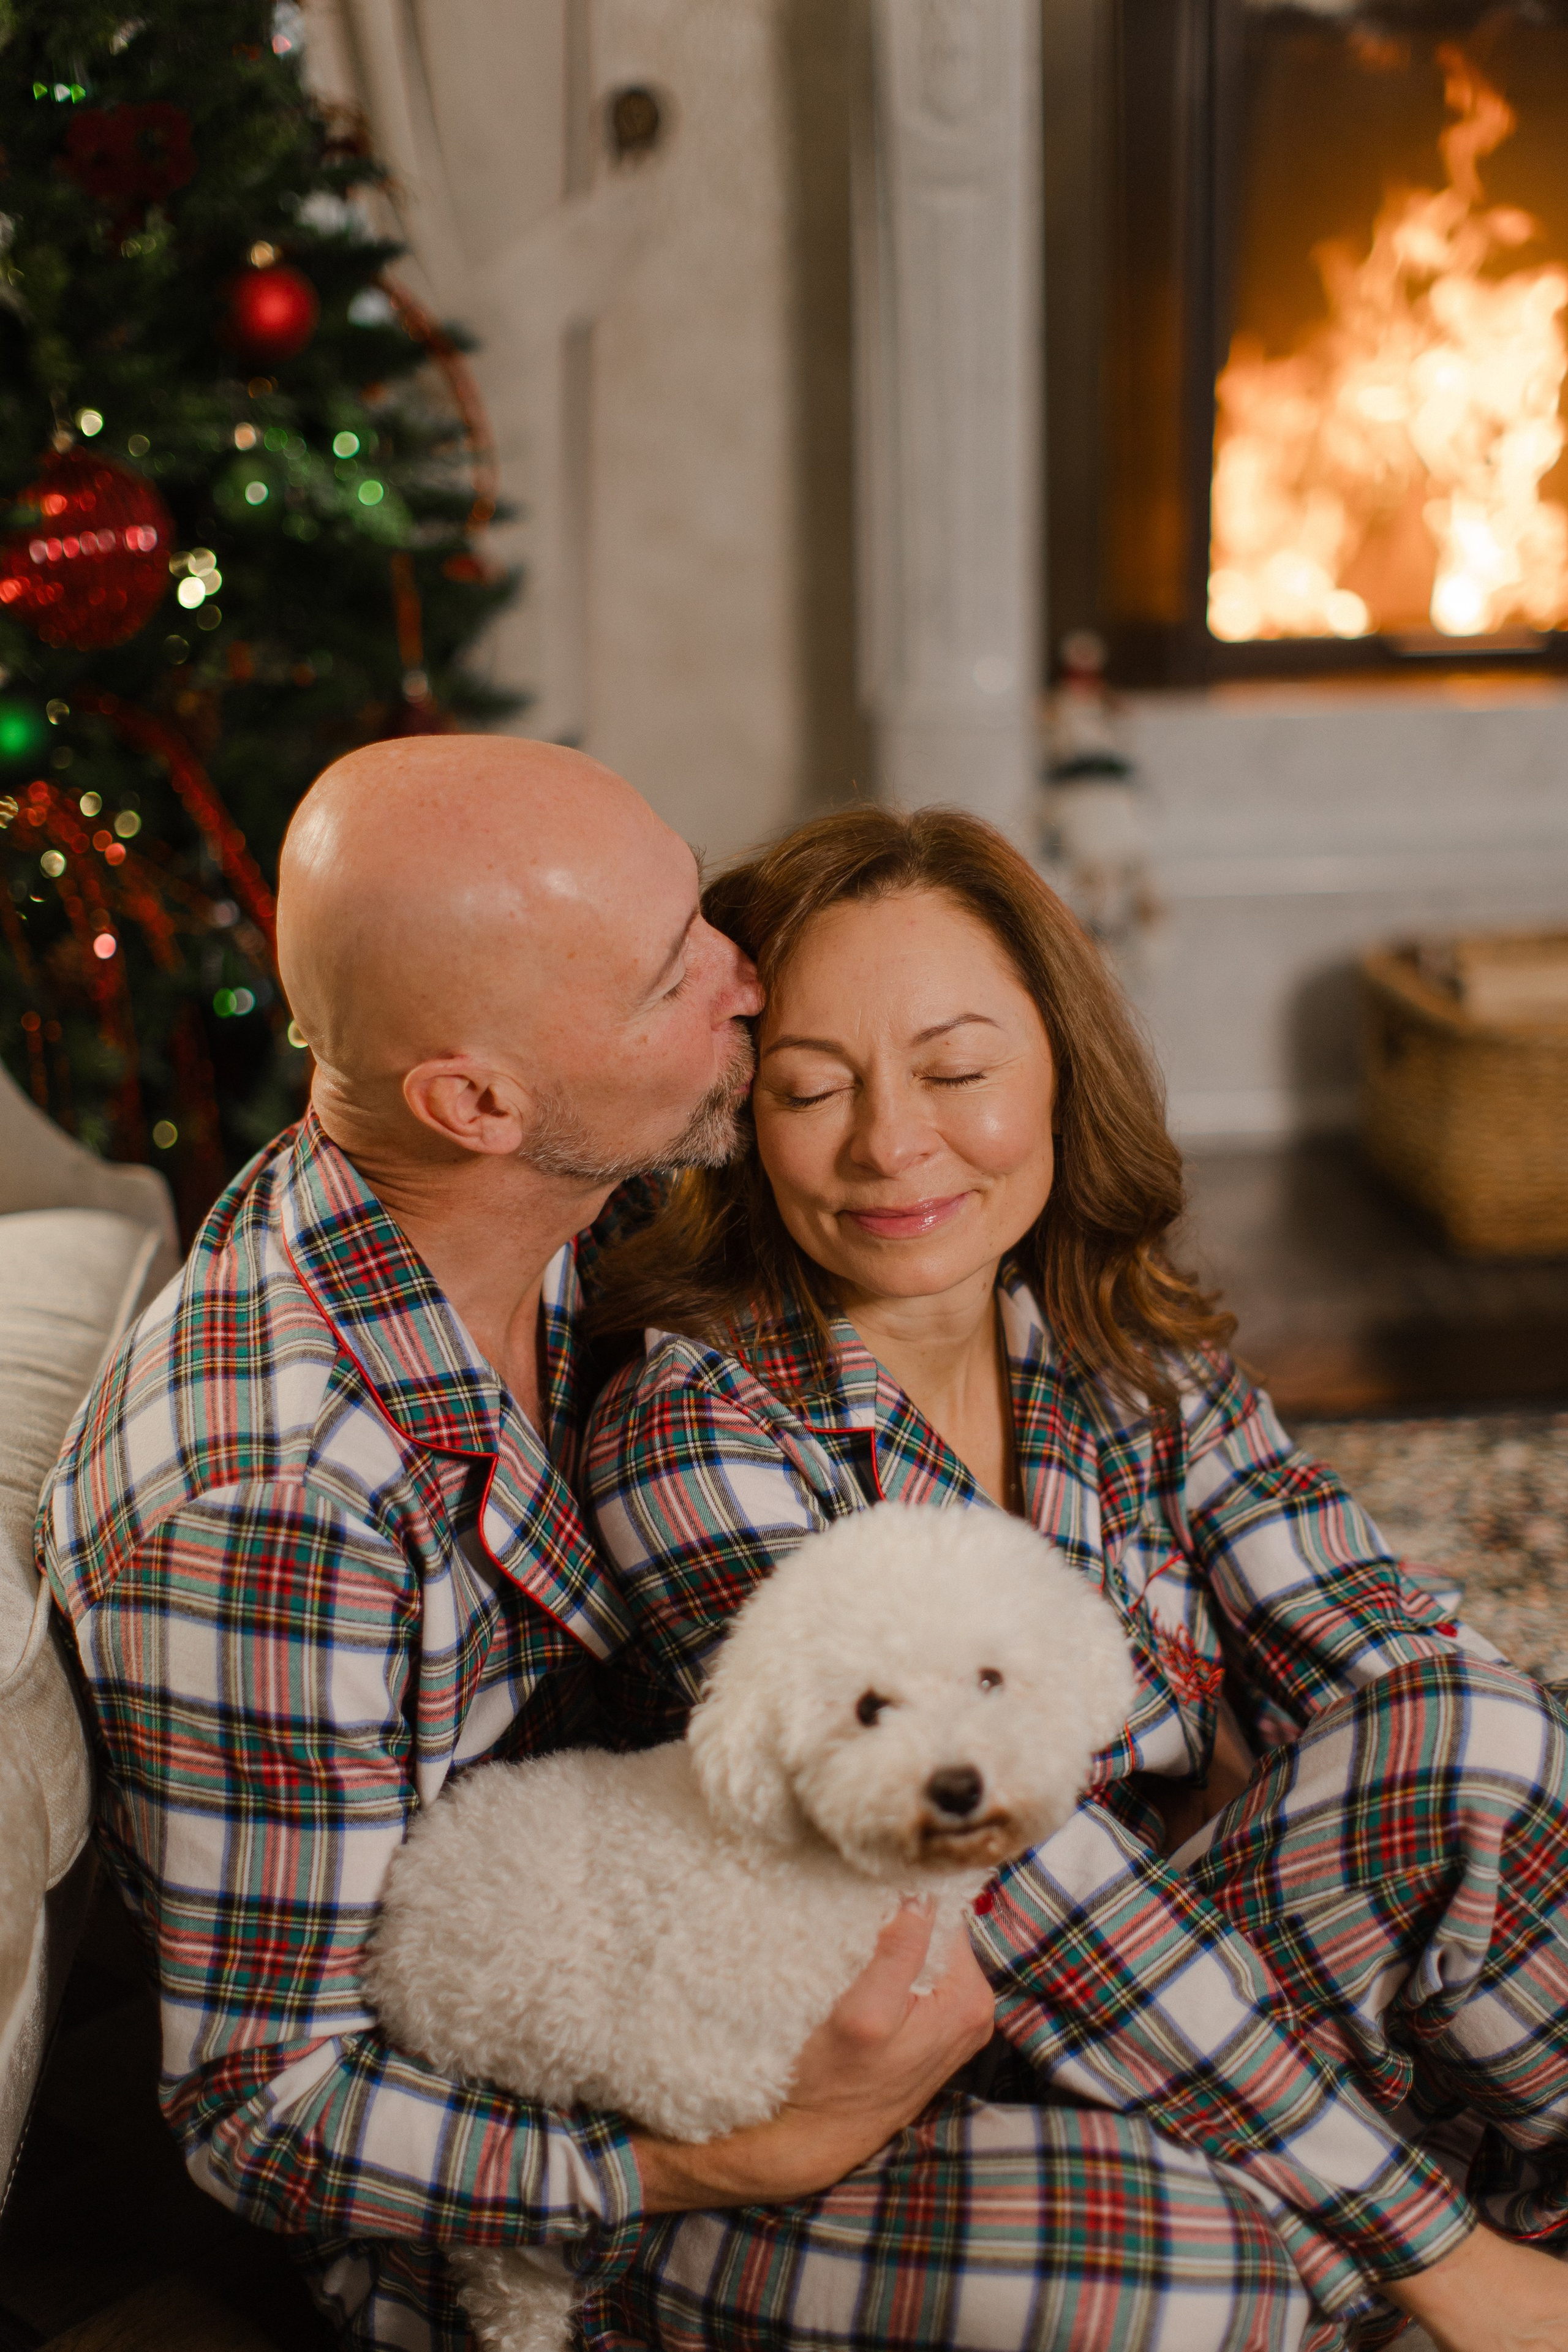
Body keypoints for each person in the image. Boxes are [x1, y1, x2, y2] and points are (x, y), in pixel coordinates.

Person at [39, 740, 998, 2351]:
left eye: (696, 910)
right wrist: (737, 2156)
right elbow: (266, 2108)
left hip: (731, 1934)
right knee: (1196, 2277)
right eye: (667, 973)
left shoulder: (546, 1206)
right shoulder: (280, 1514)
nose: (744, 976)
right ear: (474, 1097)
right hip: (520, 2205)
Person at [582, 802, 1568, 2352]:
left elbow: (1378, 1656)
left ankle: (1426, 2227)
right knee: (1192, 2281)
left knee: (1477, 1729)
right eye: (807, 1088)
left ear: (1056, 1064)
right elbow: (987, 1878)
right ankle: (1416, 2250)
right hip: (862, 2090)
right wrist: (1443, 2252)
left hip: (1173, 2016)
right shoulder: (694, 1424)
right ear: (734, 1114)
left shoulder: (1124, 1355)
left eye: (956, 1072)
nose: (889, 1143)